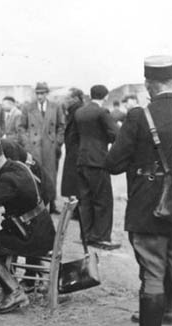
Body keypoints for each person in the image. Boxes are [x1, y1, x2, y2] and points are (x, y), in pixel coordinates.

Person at [105, 55, 172, 326]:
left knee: (154, 275)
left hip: (149, 209)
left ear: (148, 85)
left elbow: (113, 164)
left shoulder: (138, 117)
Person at [0, 138, 55, 314]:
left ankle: (14, 292)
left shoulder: (9, 178)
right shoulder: (17, 166)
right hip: (36, 229)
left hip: (32, 236)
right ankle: (11, 288)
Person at [75, 85, 119, 250]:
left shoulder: (80, 112)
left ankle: (86, 235)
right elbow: (116, 134)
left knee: (85, 200)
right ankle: (101, 237)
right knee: (103, 200)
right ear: (105, 96)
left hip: (82, 160)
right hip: (98, 160)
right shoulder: (102, 112)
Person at [19, 82, 65, 214]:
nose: (39, 96)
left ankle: (52, 203)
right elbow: (21, 127)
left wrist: (57, 142)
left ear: (47, 93)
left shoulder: (55, 107)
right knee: (35, 175)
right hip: (34, 147)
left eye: (42, 93)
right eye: (37, 93)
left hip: (50, 147)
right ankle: (37, 204)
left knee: (51, 175)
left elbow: (61, 126)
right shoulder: (28, 107)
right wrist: (26, 144)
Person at [60, 88, 84, 223]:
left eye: (68, 98)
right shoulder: (73, 110)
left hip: (76, 150)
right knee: (74, 181)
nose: (66, 100)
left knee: (76, 181)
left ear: (75, 98)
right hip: (73, 149)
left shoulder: (77, 111)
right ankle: (77, 209)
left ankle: (79, 210)